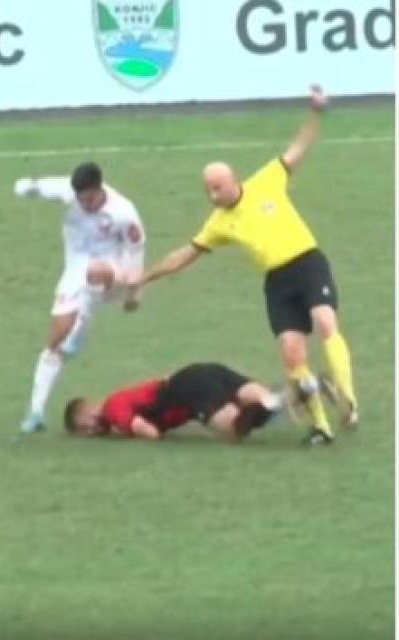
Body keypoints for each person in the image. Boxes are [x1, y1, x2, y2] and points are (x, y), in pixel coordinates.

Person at [130, 86, 357, 447]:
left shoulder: (267, 180)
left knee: (326, 322)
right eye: (208, 190)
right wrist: (146, 276)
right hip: (277, 283)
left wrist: (316, 112)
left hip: (307, 262)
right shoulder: (218, 223)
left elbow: (298, 148)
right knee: (292, 355)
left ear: (233, 180)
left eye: (217, 188)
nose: (213, 196)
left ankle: (347, 399)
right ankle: (321, 427)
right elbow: (185, 254)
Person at [13, 162, 145, 434]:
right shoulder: (68, 192)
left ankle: (81, 324)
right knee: (55, 343)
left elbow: (136, 252)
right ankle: (36, 411)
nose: (85, 205)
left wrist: (134, 294)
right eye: (81, 200)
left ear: (99, 189)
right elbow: (43, 187)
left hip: (113, 271)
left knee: (95, 272)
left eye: (89, 199)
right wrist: (27, 188)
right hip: (75, 272)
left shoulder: (123, 212)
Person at [63, 363, 282, 442]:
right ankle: (288, 395)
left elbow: (150, 433)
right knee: (260, 399)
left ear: (86, 413)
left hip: (187, 388)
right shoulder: (118, 402)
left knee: (233, 429)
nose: (91, 432)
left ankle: (268, 406)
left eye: (85, 428)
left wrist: (126, 434)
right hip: (204, 371)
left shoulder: (112, 409)